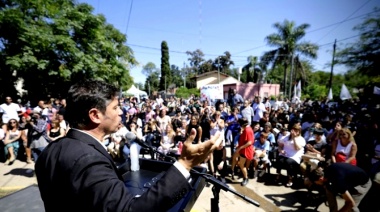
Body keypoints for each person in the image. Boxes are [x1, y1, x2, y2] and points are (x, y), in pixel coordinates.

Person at [35, 79, 222, 212]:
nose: (121, 112)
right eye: (115, 107)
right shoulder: (88, 160)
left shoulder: (51, 150)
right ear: (95, 115)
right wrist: (185, 164)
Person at [231, 118, 254, 186]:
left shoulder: (247, 130)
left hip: (245, 150)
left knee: (241, 164)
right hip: (241, 148)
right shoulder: (245, 128)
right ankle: (232, 170)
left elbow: (250, 142)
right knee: (234, 155)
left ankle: (246, 178)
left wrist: (240, 147)